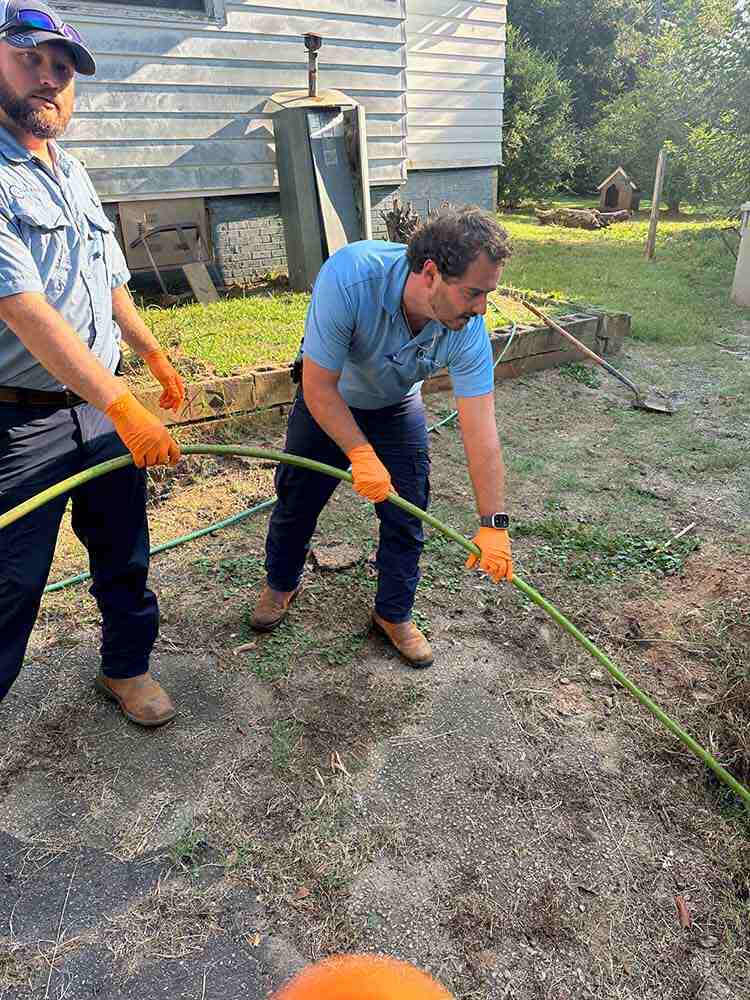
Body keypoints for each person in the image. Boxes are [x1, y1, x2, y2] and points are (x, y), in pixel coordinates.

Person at [0, 1, 184, 725]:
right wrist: (120, 403)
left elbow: (107, 282)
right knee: (10, 584)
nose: (49, 80)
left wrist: (153, 355)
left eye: (63, 70)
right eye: (31, 60)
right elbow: (21, 306)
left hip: (99, 407)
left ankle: (126, 669)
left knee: (124, 554)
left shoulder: (71, 172)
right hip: (20, 420)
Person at [250, 206, 514, 668]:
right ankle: (281, 583)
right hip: (330, 400)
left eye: (487, 294)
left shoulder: (467, 330)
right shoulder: (351, 277)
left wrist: (494, 524)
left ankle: (393, 614)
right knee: (296, 501)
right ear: (430, 273)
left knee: (406, 514)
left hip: (395, 406)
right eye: (473, 293)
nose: (481, 309)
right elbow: (317, 387)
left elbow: (481, 431)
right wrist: (359, 451)